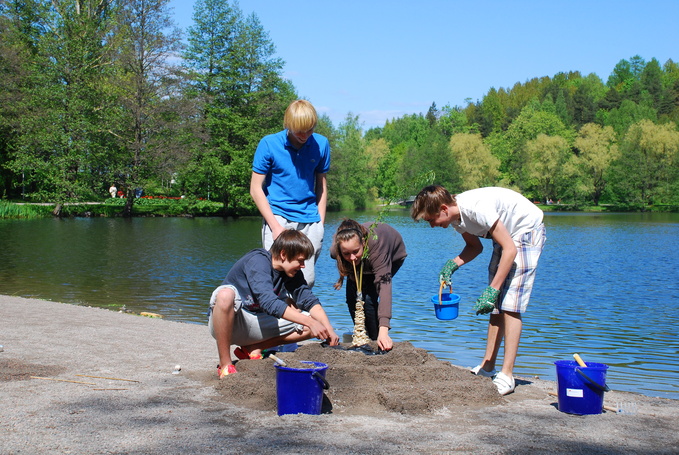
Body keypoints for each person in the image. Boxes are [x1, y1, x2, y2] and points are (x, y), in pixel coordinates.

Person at [410, 185, 546, 395]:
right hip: (508, 237)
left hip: (525, 230)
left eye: (431, 219)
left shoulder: (476, 209)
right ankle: (488, 366)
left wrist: (493, 289)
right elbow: (475, 247)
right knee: (496, 305)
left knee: (510, 304)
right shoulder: (457, 220)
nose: (432, 225)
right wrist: (452, 264)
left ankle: (507, 375)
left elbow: (510, 249)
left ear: (444, 209)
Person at [207, 229, 339, 378]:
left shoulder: (291, 272)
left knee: (317, 325)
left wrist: (328, 329)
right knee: (225, 295)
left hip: (258, 325)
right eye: (300, 260)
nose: (303, 266)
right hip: (232, 323)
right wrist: (309, 321)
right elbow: (268, 302)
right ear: (283, 254)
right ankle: (225, 364)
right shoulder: (258, 261)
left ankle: (254, 347)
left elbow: (309, 300)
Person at [249, 100, 330, 288]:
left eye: (309, 130)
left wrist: (320, 223)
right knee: (275, 279)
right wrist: (275, 226)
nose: (305, 136)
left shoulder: (321, 144)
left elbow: (321, 185)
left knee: (306, 281)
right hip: (278, 217)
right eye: (299, 131)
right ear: (288, 125)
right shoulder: (269, 144)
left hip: (310, 220)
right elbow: (255, 188)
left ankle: (299, 309)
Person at [329, 219, 407, 352]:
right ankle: (361, 336)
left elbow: (385, 288)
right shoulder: (336, 250)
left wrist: (384, 330)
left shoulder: (377, 249)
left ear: (363, 243)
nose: (352, 257)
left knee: (369, 299)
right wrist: (351, 256)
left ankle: (376, 340)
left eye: (355, 251)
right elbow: (348, 256)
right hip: (363, 259)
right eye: (346, 253)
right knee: (353, 299)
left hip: (391, 256)